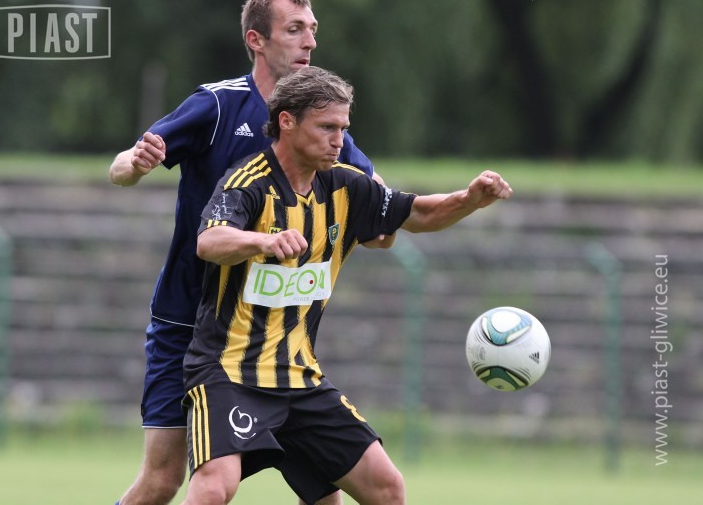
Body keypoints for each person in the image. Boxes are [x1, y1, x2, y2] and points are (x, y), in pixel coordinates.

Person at [109, 0, 391, 505]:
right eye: (294, 29)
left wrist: (386, 219)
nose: (309, 41)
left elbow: (378, 217)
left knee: (326, 493)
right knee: (162, 480)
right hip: (188, 322)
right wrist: (136, 164)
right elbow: (122, 167)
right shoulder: (217, 105)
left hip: (271, 340)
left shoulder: (322, 123)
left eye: (312, 30)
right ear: (256, 40)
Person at [182, 66, 513, 504]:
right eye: (327, 127)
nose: (338, 140)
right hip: (229, 373)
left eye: (343, 128)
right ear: (287, 121)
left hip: (300, 378)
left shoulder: (346, 185)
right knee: (213, 488)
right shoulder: (248, 182)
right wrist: (264, 241)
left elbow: (419, 213)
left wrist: (469, 200)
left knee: (386, 488)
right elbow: (209, 242)